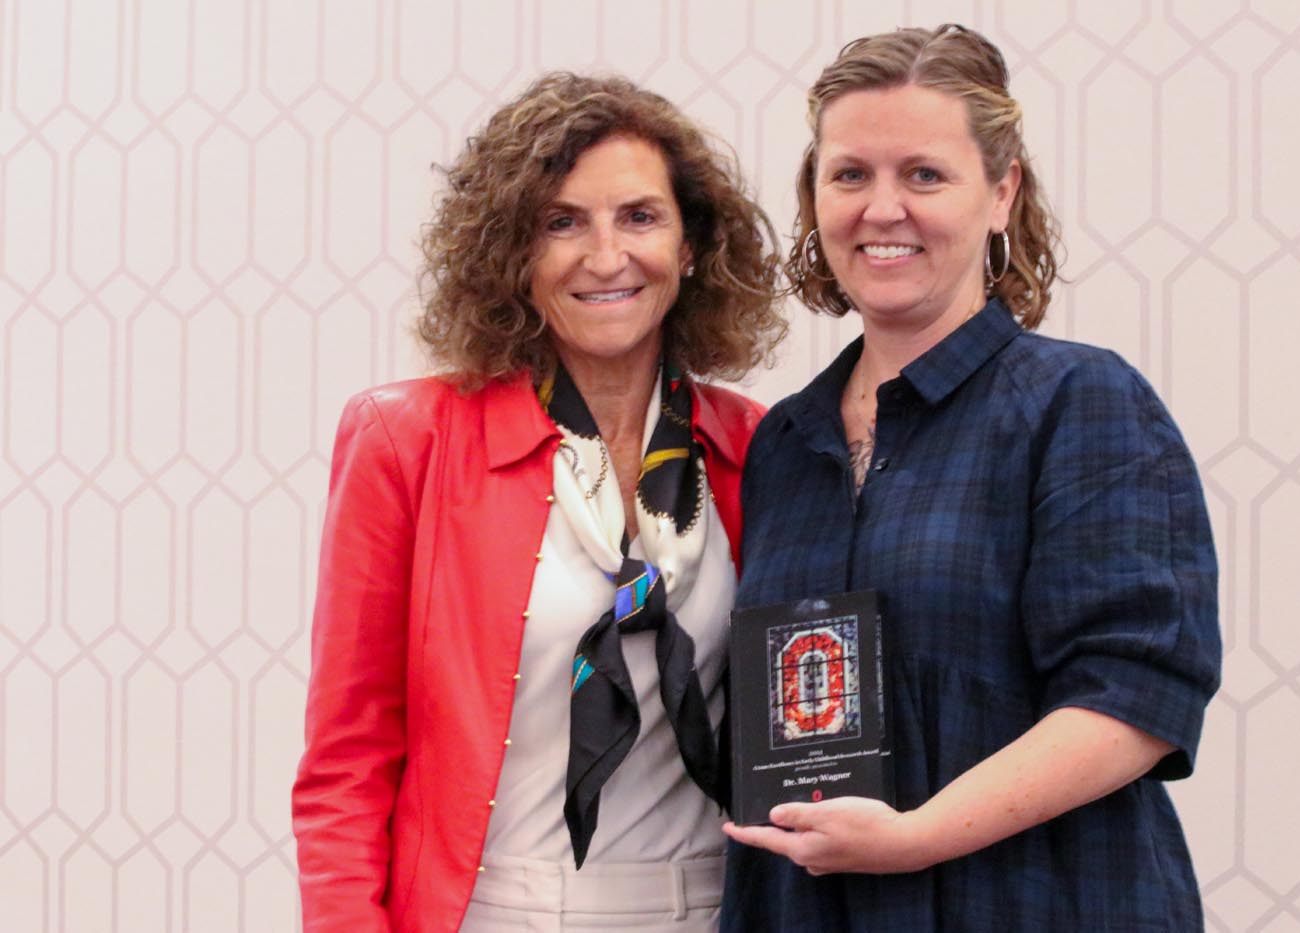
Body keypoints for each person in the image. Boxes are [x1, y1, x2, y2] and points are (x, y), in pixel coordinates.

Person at [721, 25, 1221, 931]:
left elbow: (1136, 699)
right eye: (850, 175)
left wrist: (911, 838)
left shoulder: (1082, 403)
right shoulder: (783, 444)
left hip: (1042, 904)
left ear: (1001, 193)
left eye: (924, 174)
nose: (882, 208)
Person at [292, 72, 786, 933]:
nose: (605, 257)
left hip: (717, 909)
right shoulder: (408, 440)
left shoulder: (760, 448)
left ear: (693, 244)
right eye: (562, 222)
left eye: (639, 216)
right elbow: (348, 762)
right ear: (513, 255)